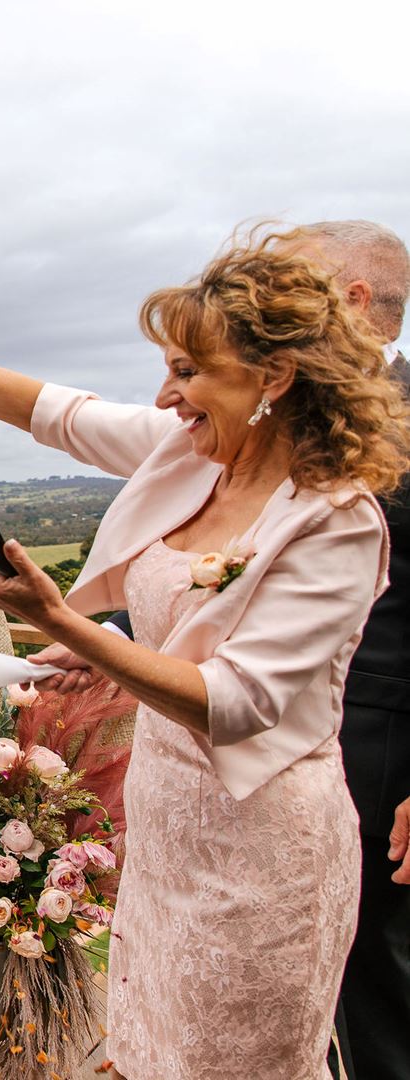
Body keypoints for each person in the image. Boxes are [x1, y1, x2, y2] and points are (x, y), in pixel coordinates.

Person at [0, 230, 409, 1080]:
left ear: (274, 378)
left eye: (188, 370)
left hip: (262, 848)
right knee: (149, 1051)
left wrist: (65, 627)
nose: (167, 393)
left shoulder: (336, 517)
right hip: (166, 824)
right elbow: (61, 414)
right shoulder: (187, 459)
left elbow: (238, 700)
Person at [287, 220, 410, 1080]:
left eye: (296, 286)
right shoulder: (314, 415)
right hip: (307, 738)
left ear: (354, 301)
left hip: (386, 744)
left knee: (377, 985)